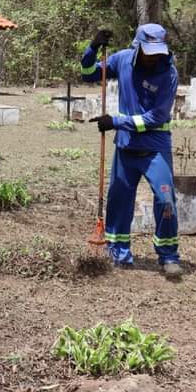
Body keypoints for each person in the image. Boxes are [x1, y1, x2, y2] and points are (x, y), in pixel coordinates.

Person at [81, 23, 183, 279]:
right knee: (119, 200)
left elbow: (157, 116)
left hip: (155, 148)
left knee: (166, 200)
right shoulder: (122, 60)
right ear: (137, 47)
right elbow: (89, 73)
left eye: (158, 52)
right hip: (126, 147)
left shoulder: (169, 73)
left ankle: (168, 255)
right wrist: (93, 47)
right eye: (149, 51)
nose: (154, 57)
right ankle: (119, 252)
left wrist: (116, 122)